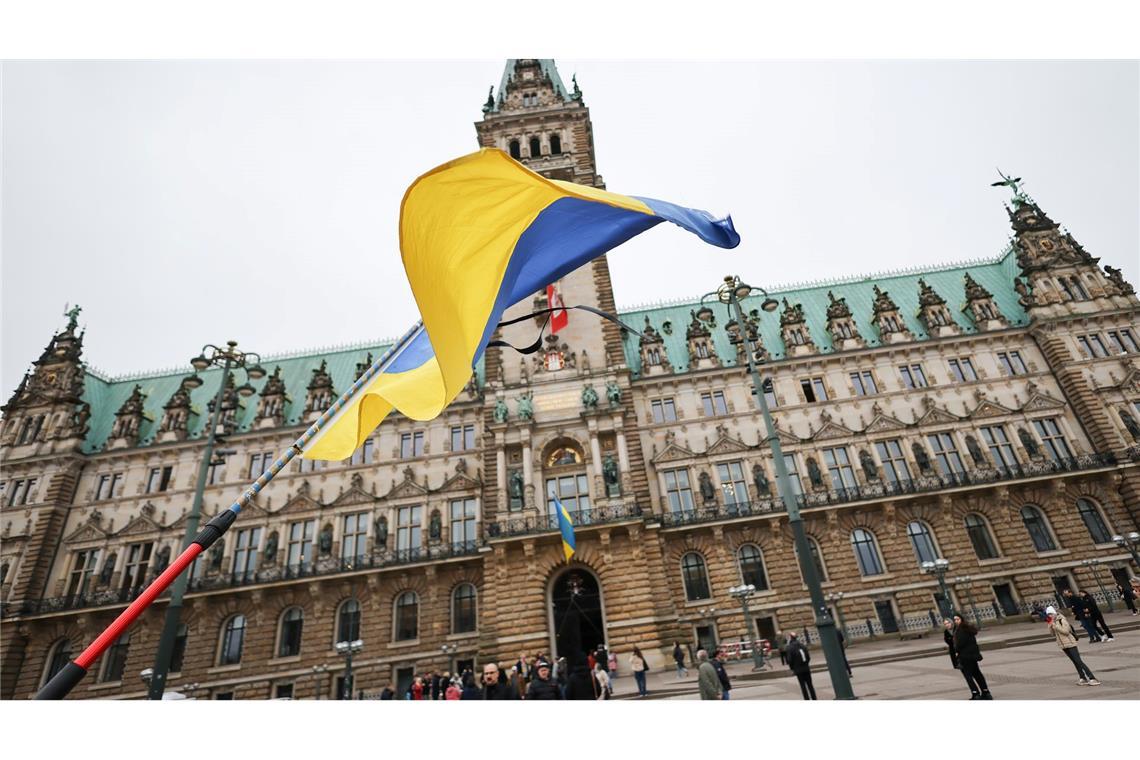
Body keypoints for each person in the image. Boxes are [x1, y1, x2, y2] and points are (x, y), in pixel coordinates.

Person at [1046, 606, 1100, 686]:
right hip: (1063, 645)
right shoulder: (1053, 622)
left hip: (1070, 643)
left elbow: (1066, 632)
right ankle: (1082, 678)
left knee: (1079, 661)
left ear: (1054, 613)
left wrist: (1055, 626)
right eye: (1048, 615)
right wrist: (1050, 626)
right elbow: (1052, 634)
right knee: (1075, 662)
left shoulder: (1061, 620)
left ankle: (1092, 678)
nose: (1050, 616)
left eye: (1051, 614)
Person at [952, 612, 992, 700]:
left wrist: (956, 651)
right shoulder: (968, 629)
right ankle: (986, 692)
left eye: (957, 619)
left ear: (961, 619)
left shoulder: (960, 630)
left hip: (965, 657)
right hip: (972, 656)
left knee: (968, 676)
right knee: (978, 674)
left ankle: (975, 693)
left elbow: (959, 644)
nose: (956, 621)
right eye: (954, 620)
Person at [785, 631, 815, 700]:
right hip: (806, 668)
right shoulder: (802, 645)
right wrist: (806, 664)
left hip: (798, 669)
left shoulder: (790, 648)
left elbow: (789, 660)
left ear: (790, 638)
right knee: (810, 685)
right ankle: (814, 698)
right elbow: (808, 657)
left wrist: (792, 668)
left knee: (803, 686)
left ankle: (806, 699)